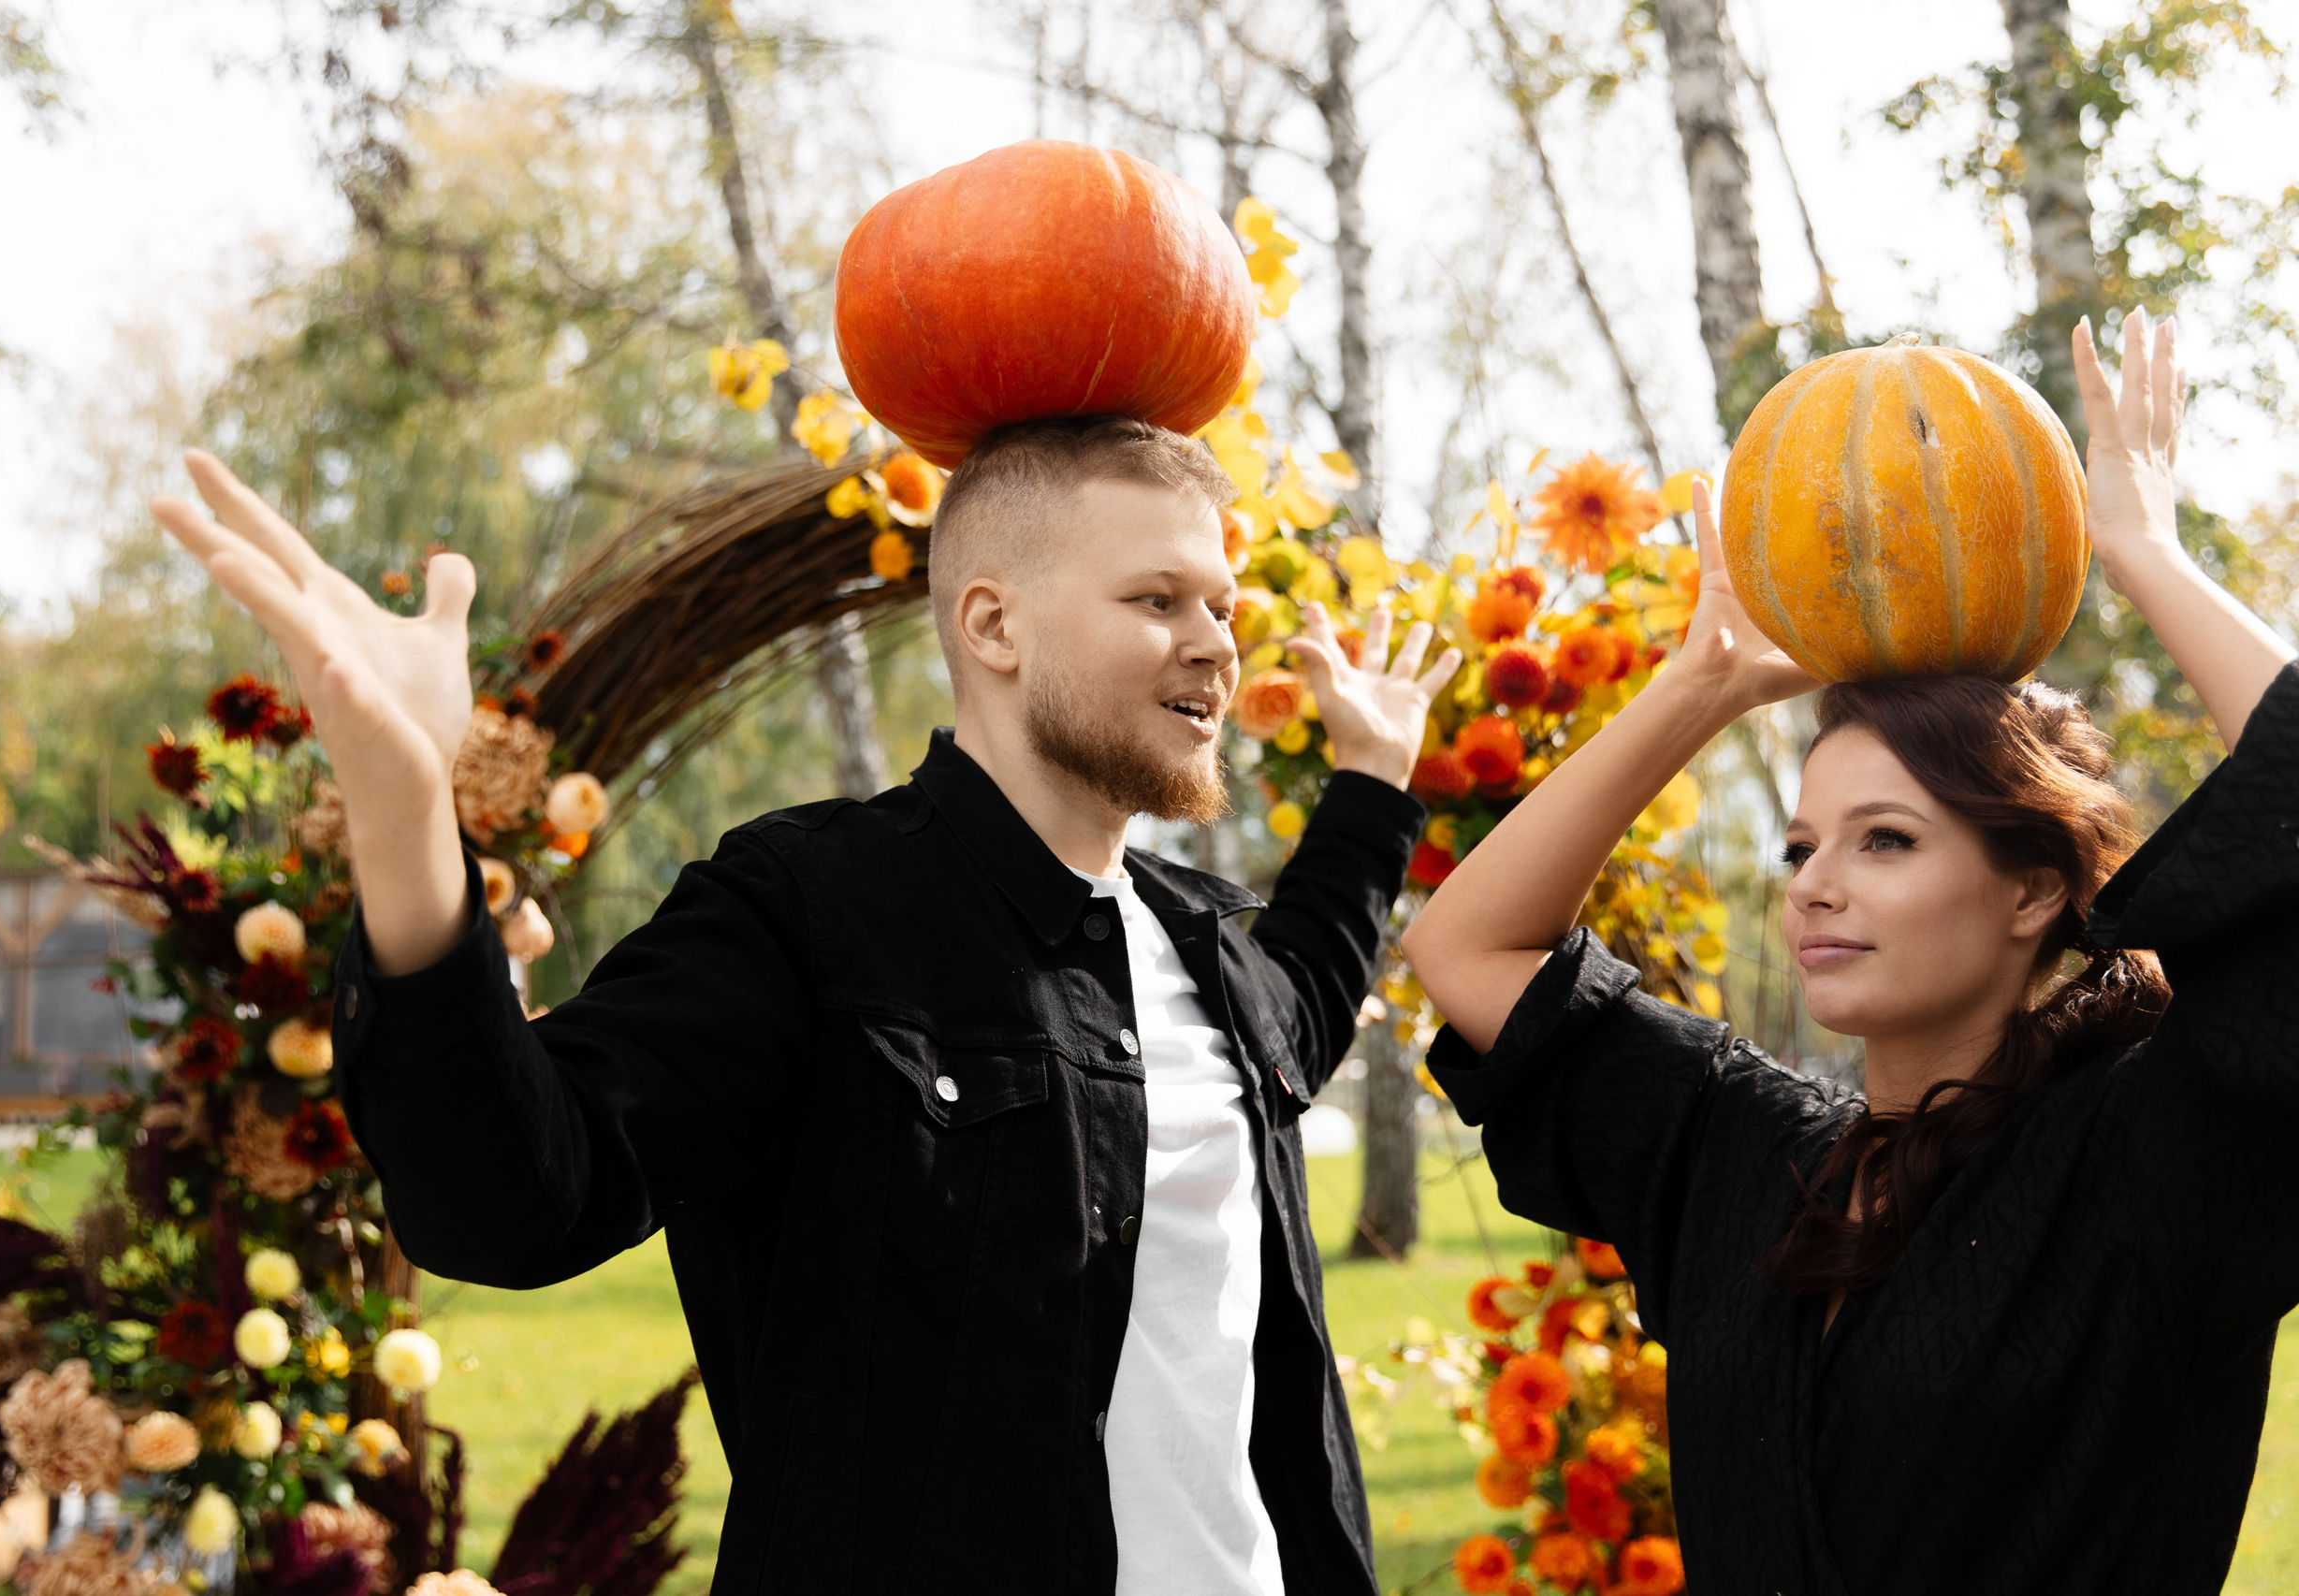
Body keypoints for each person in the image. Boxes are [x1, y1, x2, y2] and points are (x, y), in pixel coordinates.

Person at [148, 414, 1463, 1596]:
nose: (1217, 643)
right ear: (992, 625)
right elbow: (512, 1195)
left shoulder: (1211, 947)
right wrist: (400, 809)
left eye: (1221, 603)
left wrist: (1374, 782)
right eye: (1158, 597)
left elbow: (1313, 984)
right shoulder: (806, 909)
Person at [1402, 308, 2299, 1594]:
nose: (1817, 885)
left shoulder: (2155, 1153)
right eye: (1799, 847)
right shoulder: (1740, 1156)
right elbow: (1469, 946)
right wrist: (1698, 683)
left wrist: (2144, 551)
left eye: (1884, 843)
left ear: (2033, 890)